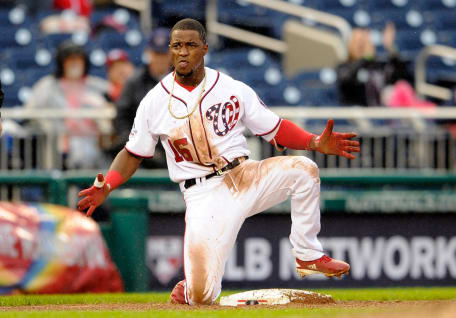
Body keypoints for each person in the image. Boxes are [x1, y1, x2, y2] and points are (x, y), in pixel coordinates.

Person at [77, 18, 360, 305]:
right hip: (203, 195)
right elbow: (134, 152)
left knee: (304, 169)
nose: (183, 52)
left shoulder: (230, 87)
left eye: (190, 45)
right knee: (202, 297)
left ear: (205, 49)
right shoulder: (154, 101)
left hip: (244, 174)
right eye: (177, 46)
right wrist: (108, 185)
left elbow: (274, 127)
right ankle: (191, 289)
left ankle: (307, 254)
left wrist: (313, 141)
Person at [25, 40, 110, 169]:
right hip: (59, 147)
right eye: (70, 60)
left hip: (95, 144)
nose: (75, 64)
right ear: (61, 63)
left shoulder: (97, 85)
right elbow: (30, 112)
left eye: (78, 60)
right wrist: (49, 126)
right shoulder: (47, 85)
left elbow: (113, 108)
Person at [109, 27, 171, 168]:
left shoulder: (182, 80)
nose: (160, 59)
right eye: (156, 53)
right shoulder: (135, 81)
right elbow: (121, 116)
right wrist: (136, 142)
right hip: (141, 147)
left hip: (174, 147)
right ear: (149, 53)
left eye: (163, 54)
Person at [337, 23, 412, 106]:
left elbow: (404, 77)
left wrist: (391, 48)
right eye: (357, 42)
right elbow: (347, 81)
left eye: (364, 42)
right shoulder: (344, 67)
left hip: (383, 114)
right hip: (356, 114)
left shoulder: (379, 65)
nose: (361, 46)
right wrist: (365, 58)